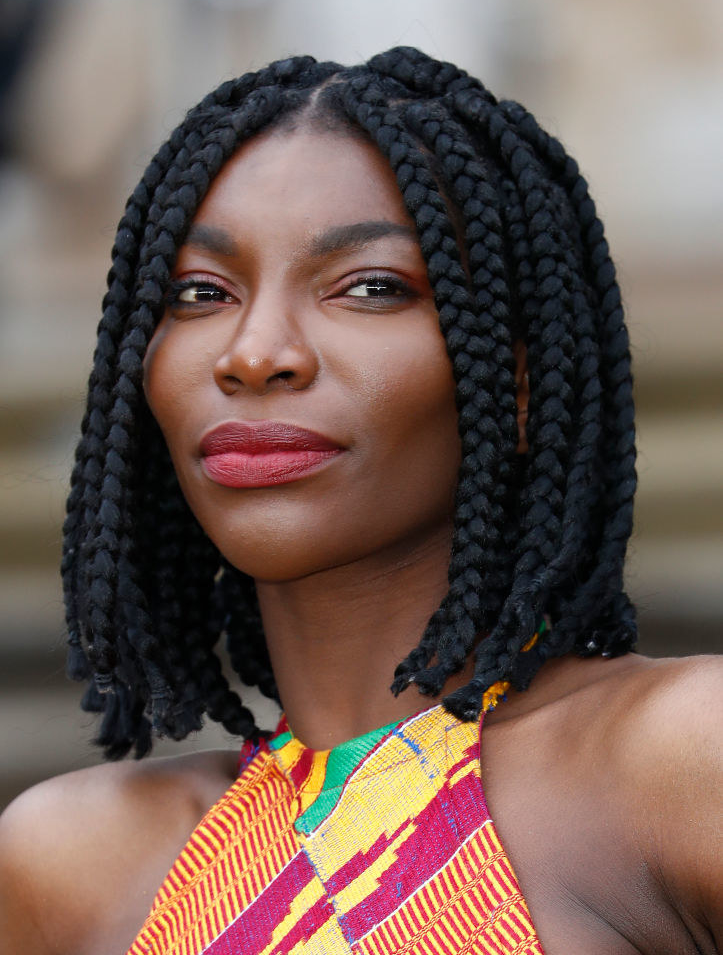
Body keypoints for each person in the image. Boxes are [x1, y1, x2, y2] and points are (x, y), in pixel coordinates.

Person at [0, 47, 720, 955]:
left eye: (371, 288)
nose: (253, 352)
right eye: (199, 293)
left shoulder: (678, 764)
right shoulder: (74, 860)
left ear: (523, 380)